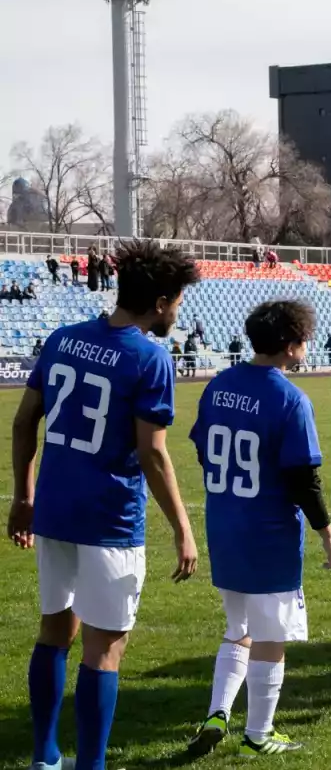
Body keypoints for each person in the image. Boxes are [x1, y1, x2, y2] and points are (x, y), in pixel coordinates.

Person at [9, 239, 200, 770]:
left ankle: (44, 757)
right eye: (179, 300)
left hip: (54, 509)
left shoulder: (63, 339)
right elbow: (153, 453)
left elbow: (25, 422)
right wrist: (183, 528)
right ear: (162, 301)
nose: (178, 310)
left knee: (54, 631)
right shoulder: (149, 357)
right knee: (104, 649)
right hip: (109, 518)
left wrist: (23, 497)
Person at [185, 300, 331, 758]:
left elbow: (201, 447)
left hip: (224, 524)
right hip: (269, 532)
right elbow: (302, 479)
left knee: (238, 628)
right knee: (272, 639)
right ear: (292, 345)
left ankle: (218, 711)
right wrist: (326, 532)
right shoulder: (290, 399)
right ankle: (259, 734)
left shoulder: (218, 385)